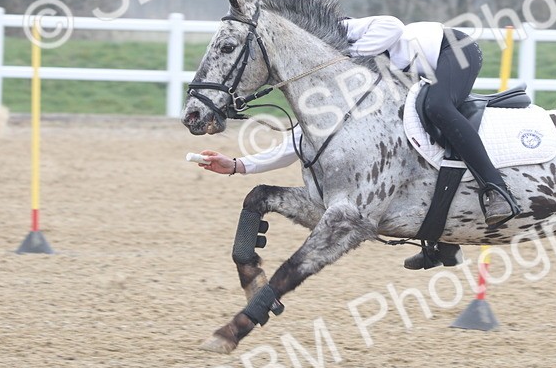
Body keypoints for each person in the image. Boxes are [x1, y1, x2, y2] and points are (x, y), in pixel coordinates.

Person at [195, 15, 522, 269]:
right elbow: (300, 140)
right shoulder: (340, 82)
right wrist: (240, 165)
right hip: (423, 75)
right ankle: (442, 243)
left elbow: (392, 27)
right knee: (413, 144)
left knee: (438, 108)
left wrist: (349, 55)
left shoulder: (347, 30)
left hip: (457, 51)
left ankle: (496, 189)